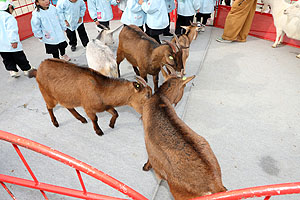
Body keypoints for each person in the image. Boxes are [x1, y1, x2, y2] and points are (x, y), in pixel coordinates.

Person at [0, 0, 33, 78]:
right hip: (11, 44)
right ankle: (27, 69)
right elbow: (12, 30)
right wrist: (14, 40)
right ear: (10, 7)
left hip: (1, 46)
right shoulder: (8, 17)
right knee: (19, 57)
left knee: (7, 59)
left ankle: (13, 70)